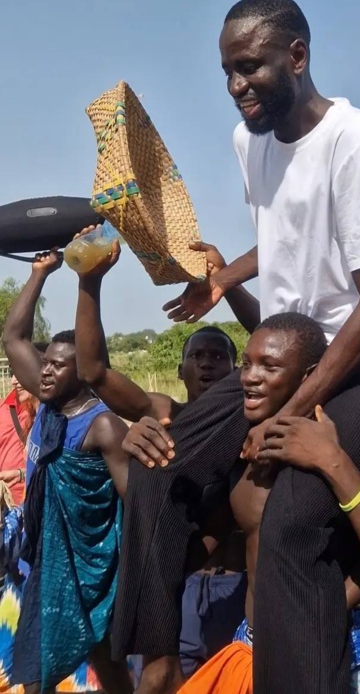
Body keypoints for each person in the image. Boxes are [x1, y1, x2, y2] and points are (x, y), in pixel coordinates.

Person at [112, 0, 360, 694]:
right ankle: (156, 660)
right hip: (288, 350)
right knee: (159, 460)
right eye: (226, 72)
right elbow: (281, 235)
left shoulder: (358, 142)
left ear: (298, 56)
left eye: (249, 68)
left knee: (289, 516)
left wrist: (290, 419)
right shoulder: (247, 141)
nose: (235, 87)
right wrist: (223, 279)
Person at [126, 312, 360, 694]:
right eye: (246, 363)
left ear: (310, 378)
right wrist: (146, 456)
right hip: (251, 655)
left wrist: (334, 464)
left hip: (322, 658)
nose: (249, 377)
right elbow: (188, 550)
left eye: (269, 366)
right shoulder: (243, 456)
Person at [73, 237, 249, 681]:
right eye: (197, 356)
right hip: (176, 590)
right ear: (181, 369)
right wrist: (88, 284)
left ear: (235, 369)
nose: (208, 364)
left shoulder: (251, 416)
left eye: (219, 356)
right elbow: (93, 373)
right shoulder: (164, 415)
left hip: (239, 592)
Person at [1, 250, 131, 694]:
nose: (47, 371)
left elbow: (134, 502)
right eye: (48, 362)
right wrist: (39, 273)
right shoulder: (51, 401)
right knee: (76, 661)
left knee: (98, 659)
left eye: (59, 365)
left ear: (87, 373)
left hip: (87, 568)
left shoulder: (103, 427)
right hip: (42, 555)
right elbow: (14, 338)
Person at [0, 375, 38, 506]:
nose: (13, 381)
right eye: (12, 371)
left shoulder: (51, 414)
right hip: (9, 504)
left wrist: (21, 474)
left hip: (37, 503)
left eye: (19, 372)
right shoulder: (4, 409)